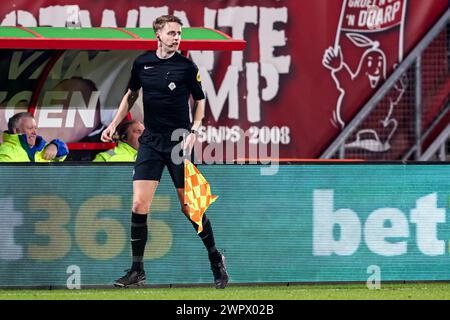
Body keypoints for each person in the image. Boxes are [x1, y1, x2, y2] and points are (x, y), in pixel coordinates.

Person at [101, 15, 229, 289]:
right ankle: (137, 270)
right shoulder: (142, 63)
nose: (177, 37)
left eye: (179, 33)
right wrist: (113, 124)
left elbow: (201, 101)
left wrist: (194, 131)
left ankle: (215, 258)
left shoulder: (185, 66)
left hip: (178, 142)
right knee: (138, 205)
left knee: (191, 209)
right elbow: (131, 94)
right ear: (158, 35)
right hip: (150, 141)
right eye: (171, 32)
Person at [0, 112, 68, 162]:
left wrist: (56, 145)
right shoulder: (5, 152)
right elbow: (5, 179)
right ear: (16, 131)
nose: (34, 132)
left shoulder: (42, 147)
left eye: (35, 128)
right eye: (30, 128)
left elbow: (63, 154)